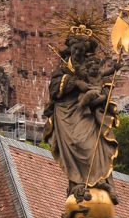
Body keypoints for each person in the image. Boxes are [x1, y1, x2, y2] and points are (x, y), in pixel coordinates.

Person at [44, 31, 120, 202]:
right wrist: (76, 83)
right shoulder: (62, 69)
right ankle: (78, 184)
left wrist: (103, 91)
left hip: (87, 114)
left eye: (81, 50)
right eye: (76, 49)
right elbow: (54, 89)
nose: (78, 53)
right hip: (66, 113)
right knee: (74, 144)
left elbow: (101, 82)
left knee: (93, 147)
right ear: (70, 48)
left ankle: (100, 181)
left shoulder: (90, 67)